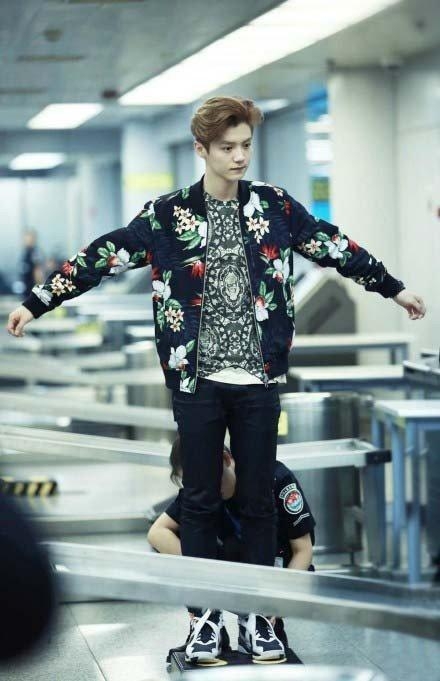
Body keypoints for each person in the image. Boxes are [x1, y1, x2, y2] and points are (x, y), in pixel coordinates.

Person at [7, 96, 426, 663]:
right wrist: (37, 302)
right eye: (227, 148)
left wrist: (393, 288)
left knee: (258, 502)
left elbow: (334, 247)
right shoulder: (168, 215)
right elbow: (103, 256)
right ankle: (204, 618)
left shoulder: (275, 207)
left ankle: (259, 617)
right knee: (200, 500)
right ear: (201, 150)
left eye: (245, 146)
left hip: (260, 381)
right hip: (196, 381)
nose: (239, 157)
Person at [147, 436, 315, 659]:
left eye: (211, 482)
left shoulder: (274, 478)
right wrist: (203, 571)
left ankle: (261, 624)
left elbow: (303, 549)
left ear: (226, 460)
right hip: (222, 577)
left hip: (274, 572)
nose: (207, 491)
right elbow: (157, 533)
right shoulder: (199, 491)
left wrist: (277, 602)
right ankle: (207, 621)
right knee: (182, 532)